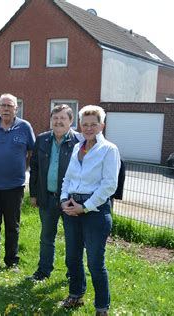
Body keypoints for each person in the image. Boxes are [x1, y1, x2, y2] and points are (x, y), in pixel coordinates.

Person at [59, 105, 120, 316]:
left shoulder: (109, 150)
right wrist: (63, 200)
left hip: (95, 211)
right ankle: (76, 295)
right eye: (85, 124)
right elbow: (68, 178)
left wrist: (84, 207)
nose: (89, 128)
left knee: (95, 262)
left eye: (93, 124)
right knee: (72, 258)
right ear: (80, 126)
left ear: (102, 125)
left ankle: (102, 307)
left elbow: (109, 186)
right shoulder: (78, 147)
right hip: (71, 208)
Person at [0, 93, 35, 269]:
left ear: (16, 109)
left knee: (13, 226)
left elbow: (31, 152)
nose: (6, 109)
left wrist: (21, 168)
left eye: (9, 106)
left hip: (14, 186)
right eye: (3, 105)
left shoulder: (25, 127)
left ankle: (11, 261)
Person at [28, 104, 80, 282]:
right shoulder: (42, 139)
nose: (58, 122)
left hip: (70, 201)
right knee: (46, 237)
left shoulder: (79, 142)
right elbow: (34, 168)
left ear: (71, 121)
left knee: (73, 239)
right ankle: (43, 271)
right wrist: (33, 194)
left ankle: (73, 274)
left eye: (63, 118)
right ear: (51, 120)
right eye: (55, 118)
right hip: (47, 198)